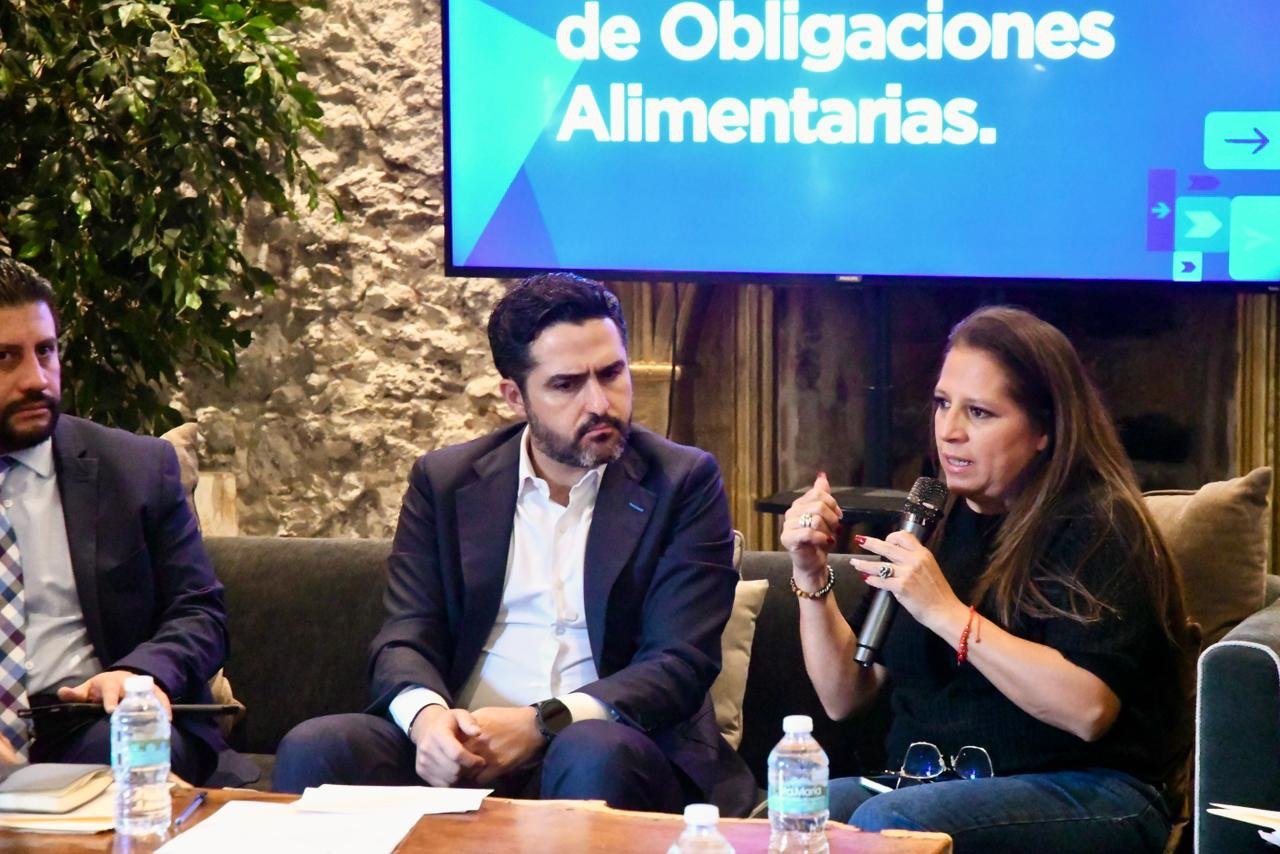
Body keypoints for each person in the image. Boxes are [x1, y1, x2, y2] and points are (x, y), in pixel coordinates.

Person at [273, 272, 757, 816]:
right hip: (466, 741)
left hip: (612, 745)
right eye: (566, 385)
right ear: (514, 396)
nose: (600, 402)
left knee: (590, 750)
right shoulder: (445, 481)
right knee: (318, 747)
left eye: (611, 373)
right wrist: (428, 721)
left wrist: (541, 723)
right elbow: (405, 636)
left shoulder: (682, 481)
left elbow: (678, 662)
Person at [782, 306, 1191, 852]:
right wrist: (809, 571)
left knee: (891, 821)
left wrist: (945, 612)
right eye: (942, 404)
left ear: (1044, 429)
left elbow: (1088, 711)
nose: (949, 431)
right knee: (798, 805)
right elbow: (843, 696)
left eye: (978, 412)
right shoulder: (932, 521)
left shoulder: (1099, 525)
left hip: (1092, 788)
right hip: (930, 782)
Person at [0, 258, 229, 782]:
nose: (36, 379)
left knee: (129, 753)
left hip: (90, 724)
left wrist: (140, 673)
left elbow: (200, 612)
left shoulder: (135, 469)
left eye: (46, 351)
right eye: (5, 357)